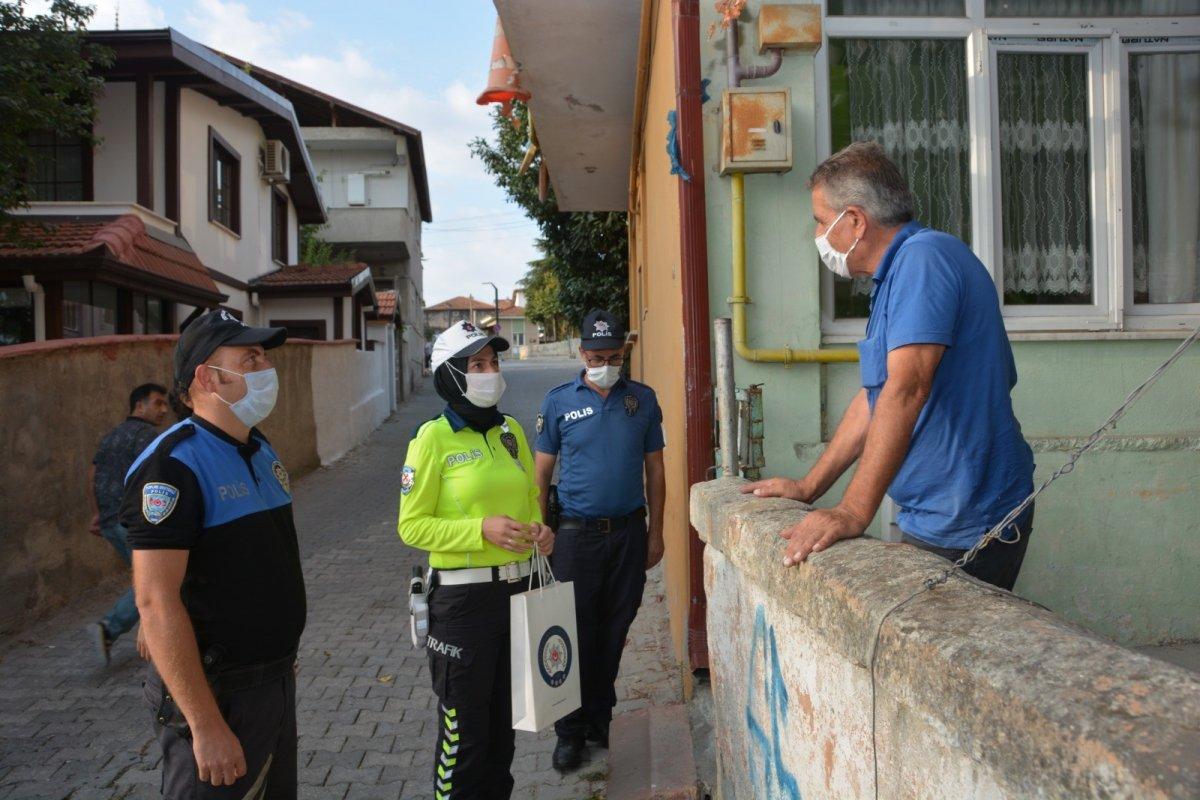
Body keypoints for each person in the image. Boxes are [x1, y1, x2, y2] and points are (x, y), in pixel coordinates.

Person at [743, 141, 1035, 591]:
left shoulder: (924, 259)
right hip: (935, 512)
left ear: (855, 221)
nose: (819, 235)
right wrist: (810, 487)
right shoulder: (897, 272)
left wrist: (854, 510)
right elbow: (875, 397)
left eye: (822, 221)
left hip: (967, 516)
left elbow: (907, 389)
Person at [121, 309, 305, 798]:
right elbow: (156, 603)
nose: (265, 368)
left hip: (271, 684)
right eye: (250, 358)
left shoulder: (260, 449)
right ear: (207, 376)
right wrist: (204, 726)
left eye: (263, 355)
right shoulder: (172, 465)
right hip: (215, 697)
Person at [398, 320, 554, 800]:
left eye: (494, 363)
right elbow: (412, 526)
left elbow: (530, 502)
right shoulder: (432, 438)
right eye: (477, 365)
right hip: (462, 605)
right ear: (450, 375)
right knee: (463, 737)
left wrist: (541, 533)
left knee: (501, 733)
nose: (490, 373)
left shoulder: (510, 431)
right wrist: (477, 529)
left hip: (519, 593)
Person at [534, 309, 666, 772]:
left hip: (628, 534)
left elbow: (655, 471)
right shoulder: (557, 402)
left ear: (622, 354)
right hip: (575, 538)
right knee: (572, 634)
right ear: (581, 352)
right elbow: (542, 472)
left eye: (613, 357)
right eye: (596, 356)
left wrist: (657, 532)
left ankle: (599, 720)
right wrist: (539, 531)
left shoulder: (642, 401)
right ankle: (569, 733)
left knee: (614, 630)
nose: (605, 364)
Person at [87, 382, 169, 664]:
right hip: (134, 523)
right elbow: (154, 477)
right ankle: (109, 628)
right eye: (157, 403)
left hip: (111, 520)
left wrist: (98, 514)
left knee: (147, 577)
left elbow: (95, 475)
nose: (163, 409)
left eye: (165, 404)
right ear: (139, 406)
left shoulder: (111, 436)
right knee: (152, 579)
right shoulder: (147, 436)